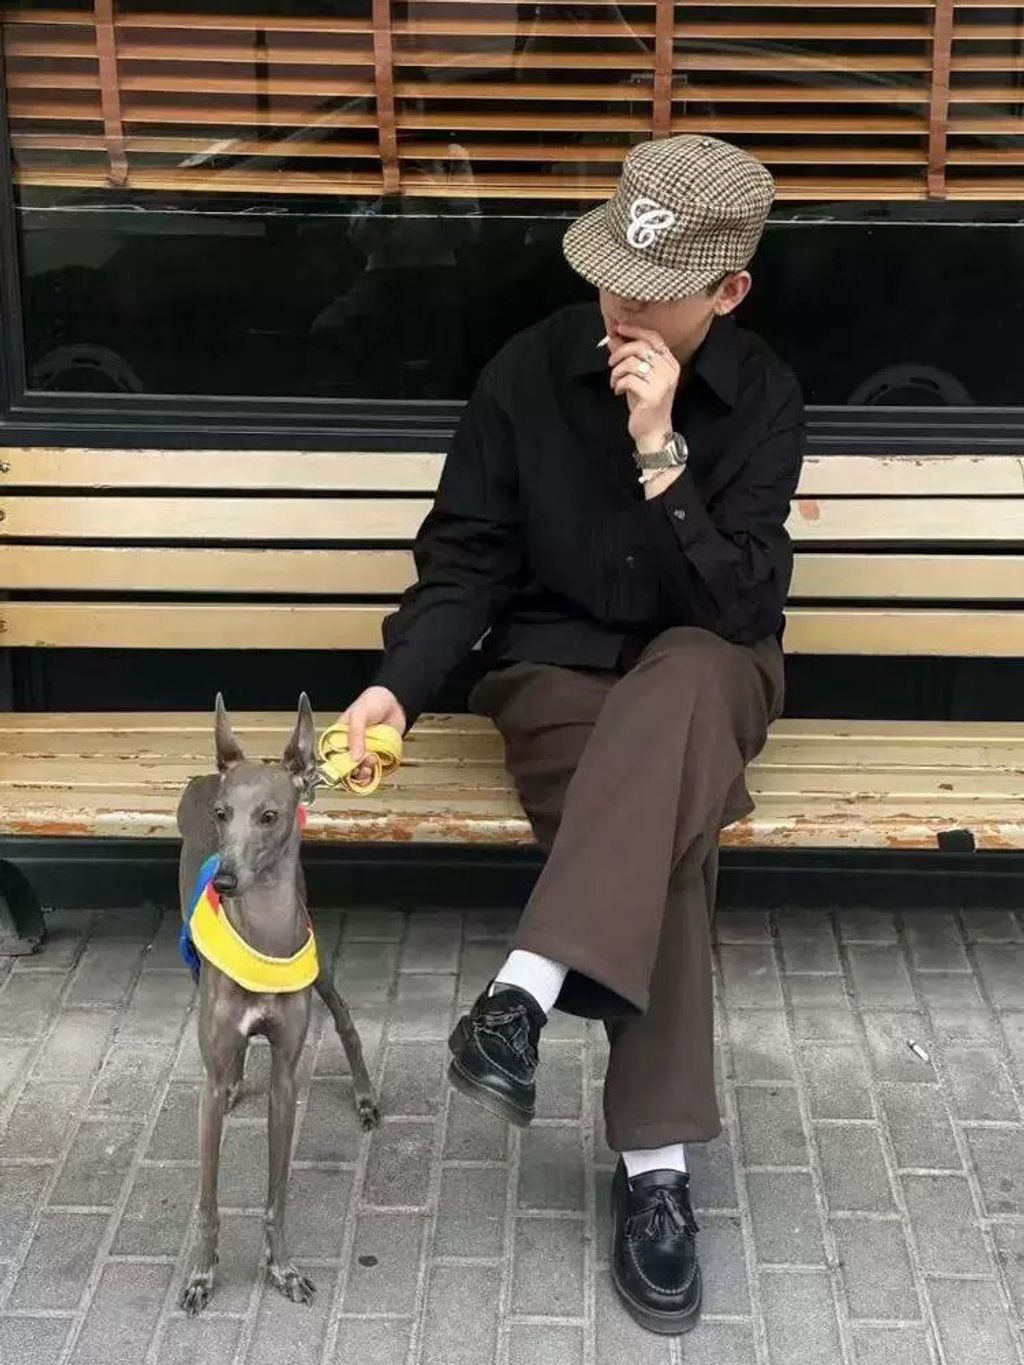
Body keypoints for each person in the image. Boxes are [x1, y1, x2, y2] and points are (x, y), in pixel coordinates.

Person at [339, 134, 804, 1336]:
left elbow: (742, 607)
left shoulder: (762, 398)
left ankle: (524, 988)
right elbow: (467, 560)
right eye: (610, 279)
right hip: (556, 674)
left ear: (728, 292)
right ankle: (656, 1176)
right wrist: (399, 688)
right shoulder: (526, 371)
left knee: (684, 684)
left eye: (653, 292)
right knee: (665, 843)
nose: (620, 309)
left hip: (710, 668)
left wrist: (661, 454)